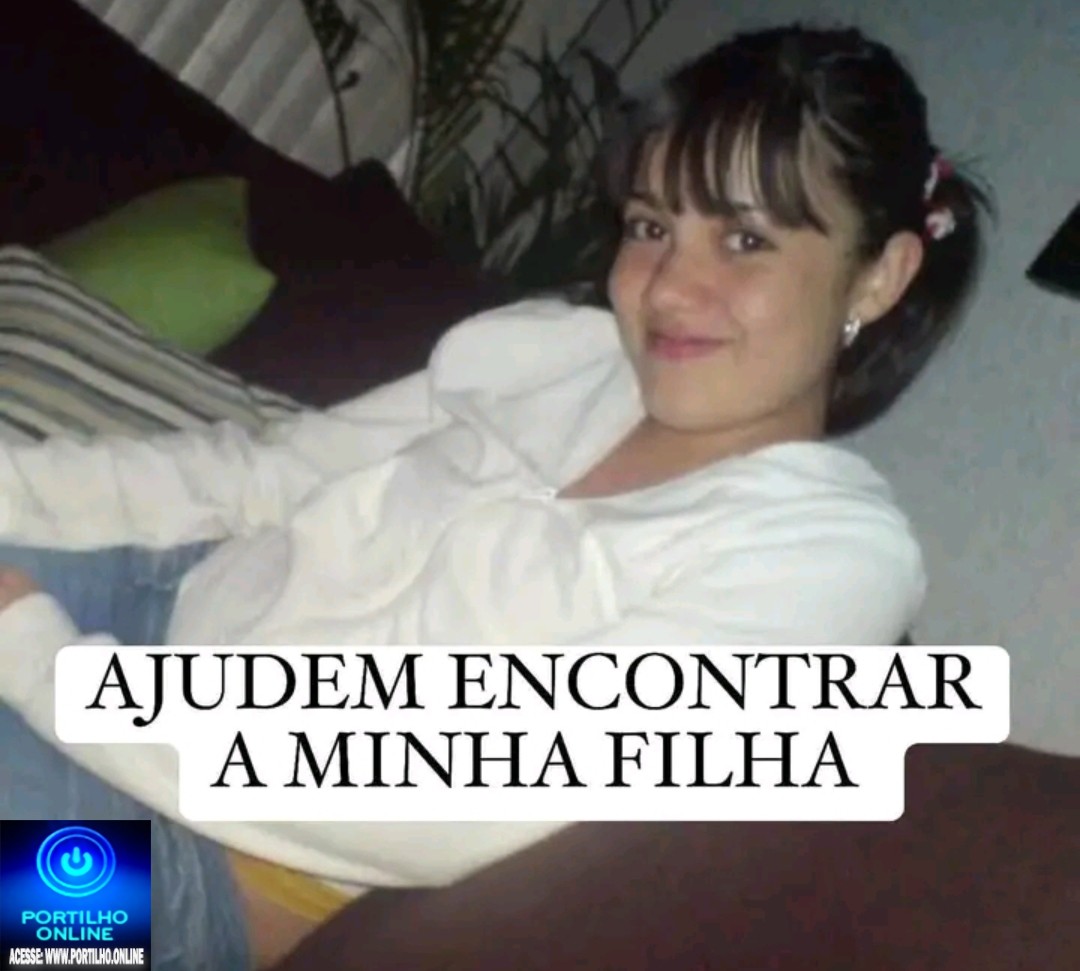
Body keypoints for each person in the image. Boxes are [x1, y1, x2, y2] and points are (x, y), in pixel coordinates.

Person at [0, 23, 990, 971]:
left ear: (880, 274)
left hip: (188, 892)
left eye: (744, 240)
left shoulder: (828, 560)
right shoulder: (555, 353)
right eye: (652, 225)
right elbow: (263, 474)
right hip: (153, 608)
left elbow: (434, 791)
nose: (666, 288)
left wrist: (43, 659)